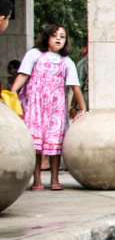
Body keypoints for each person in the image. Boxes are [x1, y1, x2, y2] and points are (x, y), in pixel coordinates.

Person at [9, 25, 87, 191]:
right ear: (47, 38)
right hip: (35, 105)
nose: (58, 39)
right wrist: (12, 93)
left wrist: (82, 109)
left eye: (62, 36)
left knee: (55, 142)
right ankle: (36, 180)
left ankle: (54, 179)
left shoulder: (67, 62)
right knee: (35, 143)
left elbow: (75, 86)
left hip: (56, 108)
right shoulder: (34, 55)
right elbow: (23, 74)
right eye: (54, 35)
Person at [76, 43, 89, 110]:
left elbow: (78, 86)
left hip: (85, 101)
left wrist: (73, 106)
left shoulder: (83, 63)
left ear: (85, 49)